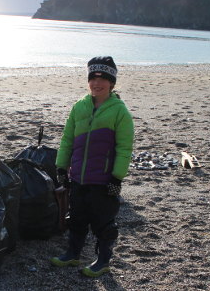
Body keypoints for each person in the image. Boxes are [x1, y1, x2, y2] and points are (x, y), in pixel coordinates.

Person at [49, 56, 134, 278]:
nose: (97, 83)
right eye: (93, 78)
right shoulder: (79, 106)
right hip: (78, 176)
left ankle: (103, 260)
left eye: (103, 78)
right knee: (76, 218)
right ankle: (73, 253)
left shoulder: (119, 111)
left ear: (112, 83)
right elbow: (67, 139)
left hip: (103, 180)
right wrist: (61, 167)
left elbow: (125, 148)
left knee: (102, 222)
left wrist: (117, 178)